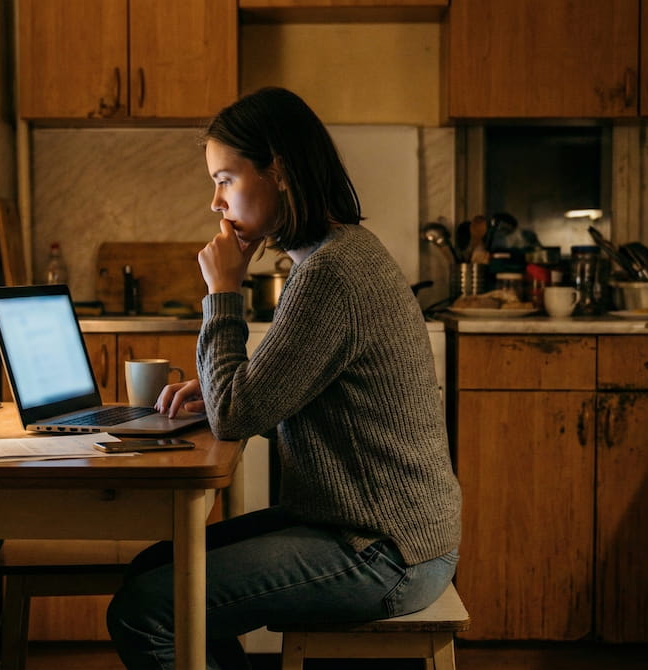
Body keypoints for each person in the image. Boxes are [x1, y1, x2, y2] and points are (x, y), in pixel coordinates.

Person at [105, 87, 462, 670]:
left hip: (384, 552)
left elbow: (237, 417)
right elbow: (271, 400)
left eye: (225, 179)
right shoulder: (334, 255)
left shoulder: (331, 272)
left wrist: (223, 292)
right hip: (366, 528)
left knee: (147, 609)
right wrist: (232, 386)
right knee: (153, 570)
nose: (215, 202)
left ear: (279, 171)